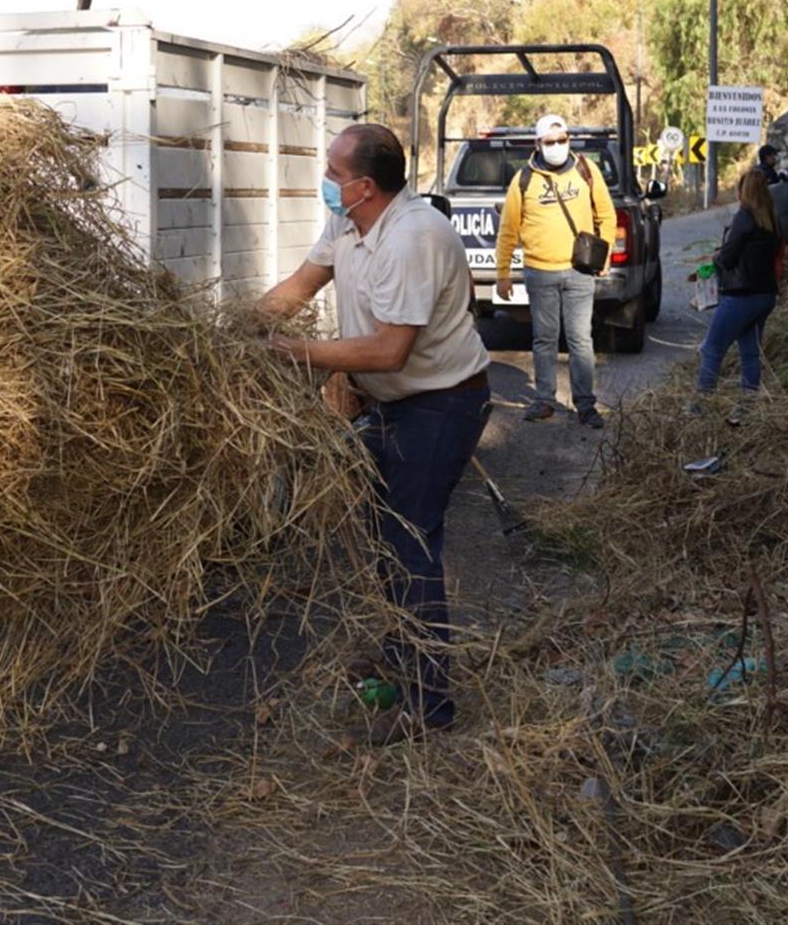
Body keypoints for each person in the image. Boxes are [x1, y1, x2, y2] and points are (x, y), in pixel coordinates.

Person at [261, 124, 490, 744]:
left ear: (363, 186)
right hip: (390, 404)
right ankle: (403, 651)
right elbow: (300, 288)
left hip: (442, 405)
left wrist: (301, 353)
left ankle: (428, 705)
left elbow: (390, 351)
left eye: (334, 174)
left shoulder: (415, 237)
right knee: (384, 538)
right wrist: (236, 325)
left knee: (410, 542)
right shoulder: (349, 224)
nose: (327, 183)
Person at [493, 113, 616, 428]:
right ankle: (544, 400)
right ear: (538, 144)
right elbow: (508, 229)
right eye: (550, 142)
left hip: (579, 271)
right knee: (544, 339)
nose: (557, 146)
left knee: (580, 339)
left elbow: (606, 214)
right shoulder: (523, 180)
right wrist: (503, 274)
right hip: (539, 272)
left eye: (562, 140)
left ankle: (585, 405)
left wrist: (605, 257)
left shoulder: (586, 171)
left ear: (569, 140)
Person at [694, 169, 780, 406]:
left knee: (711, 349)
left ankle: (700, 406)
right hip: (765, 295)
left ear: (744, 192)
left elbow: (729, 258)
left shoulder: (744, 216)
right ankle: (747, 405)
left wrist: (716, 257)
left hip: (741, 295)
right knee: (750, 352)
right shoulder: (771, 217)